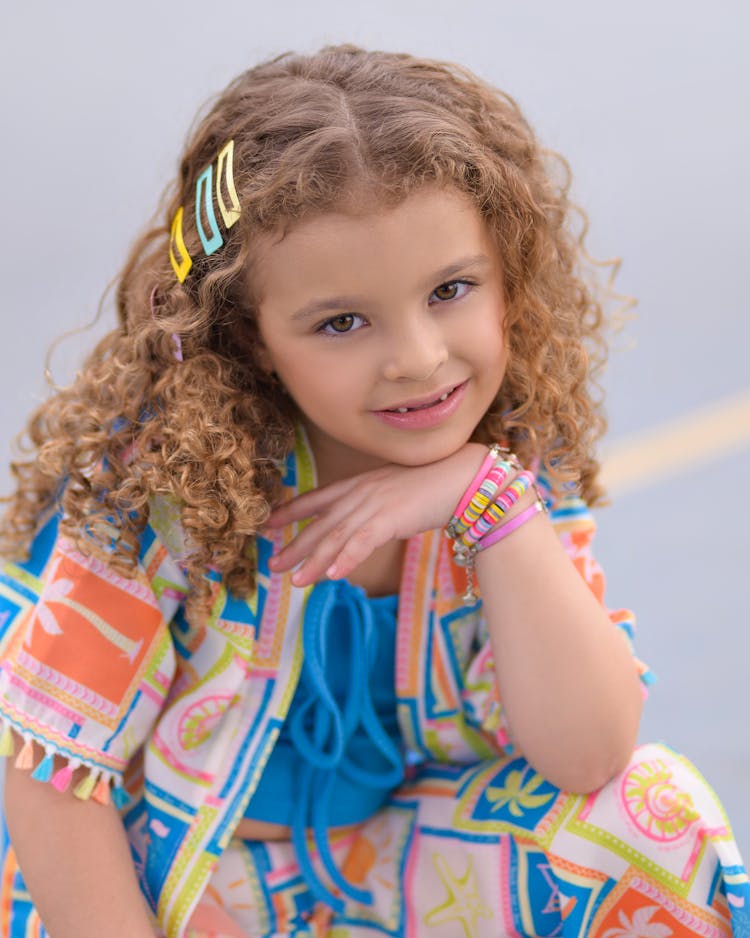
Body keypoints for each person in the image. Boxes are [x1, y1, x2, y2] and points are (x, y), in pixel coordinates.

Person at [0, 44, 746, 938]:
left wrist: (490, 504)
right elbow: (51, 786)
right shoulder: (160, 487)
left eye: (452, 289)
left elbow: (589, 753)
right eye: (342, 321)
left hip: (399, 863)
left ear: (510, 274)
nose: (419, 359)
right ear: (249, 336)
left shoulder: (508, 454)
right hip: (190, 882)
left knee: (659, 821)